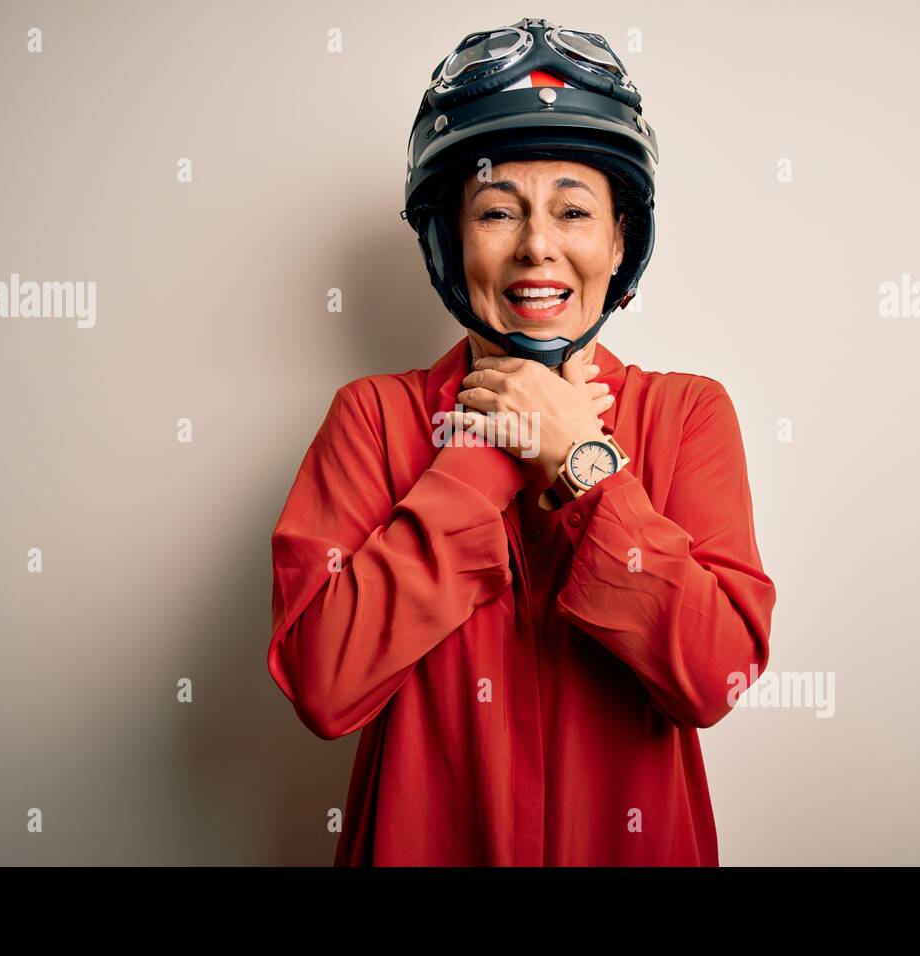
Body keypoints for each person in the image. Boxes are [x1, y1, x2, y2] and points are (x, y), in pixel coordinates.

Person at [268, 17, 776, 865]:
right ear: (448, 241)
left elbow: (712, 674)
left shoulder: (689, 414)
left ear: (620, 241)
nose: (538, 245)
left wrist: (585, 466)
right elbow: (323, 684)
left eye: (574, 211)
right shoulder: (371, 419)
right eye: (498, 211)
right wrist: (483, 457)